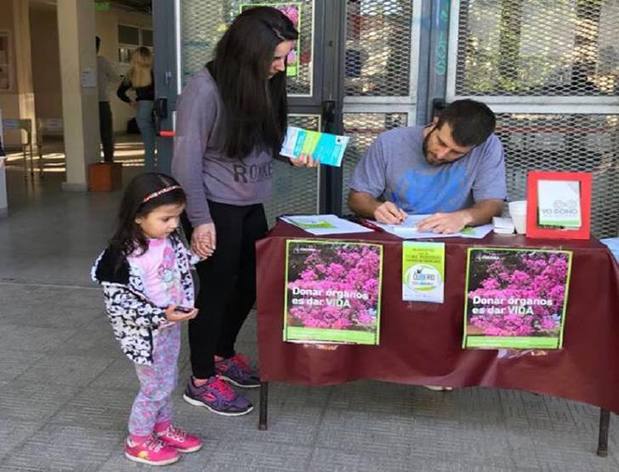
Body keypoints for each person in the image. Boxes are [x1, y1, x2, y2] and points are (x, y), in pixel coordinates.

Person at [172, 6, 316, 416]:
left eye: (285, 57)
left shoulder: (262, 81)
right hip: (212, 204)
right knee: (215, 290)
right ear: (246, 52)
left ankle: (222, 353)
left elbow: (263, 137)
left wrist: (294, 153)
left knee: (251, 282)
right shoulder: (205, 89)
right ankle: (200, 380)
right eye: (274, 58)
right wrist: (200, 221)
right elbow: (185, 163)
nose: (280, 66)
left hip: (248, 201)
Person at [92, 173, 203, 466]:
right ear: (138, 216)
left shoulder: (168, 240)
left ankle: (162, 428)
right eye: (166, 218)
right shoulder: (119, 257)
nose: (174, 225)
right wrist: (158, 314)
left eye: (177, 217)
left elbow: (177, 268)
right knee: (155, 387)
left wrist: (198, 255)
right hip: (144, 334)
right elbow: (121, 306)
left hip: (168, 325)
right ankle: (138, 440)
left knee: (168, 380)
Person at [348, 99, 506, 233]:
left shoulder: (488, 147)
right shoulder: (389, 142)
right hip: (399, 232)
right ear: (435, 123)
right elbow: (357, 199)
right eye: (441, 142)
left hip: (454, 235)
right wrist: (376, 208)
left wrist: (464, 217)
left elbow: (493, 204)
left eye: (456, 152)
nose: (441, 154)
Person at [117, 47, 157, 171]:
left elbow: (120, 93)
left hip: (142, 109)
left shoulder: (132, 74)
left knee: (148, 145)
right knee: (164, 142)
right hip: (157, 108)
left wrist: (131, 102)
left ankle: (150, 172)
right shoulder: (155, 72)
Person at [96, 36, 119, 163]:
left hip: (85, 104)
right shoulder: (102, 61)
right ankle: (108, 161)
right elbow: (115, 77)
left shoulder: (81, 61)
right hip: (102, 101)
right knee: (106, 133)